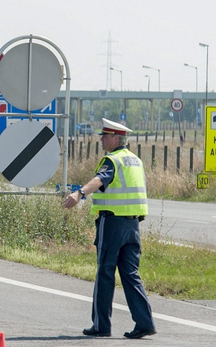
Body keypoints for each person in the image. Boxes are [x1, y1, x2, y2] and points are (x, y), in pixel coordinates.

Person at [62, 118, 155, 339]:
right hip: (132, 225)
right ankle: (145, 322)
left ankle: (101, 325)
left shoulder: (112, 160)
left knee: (105, 271)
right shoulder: (135, 160)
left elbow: (100, 179)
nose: (102, 140)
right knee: (130, 274)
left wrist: (79, 193)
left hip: (112, 223)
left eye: (105, 136)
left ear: (116, 138)